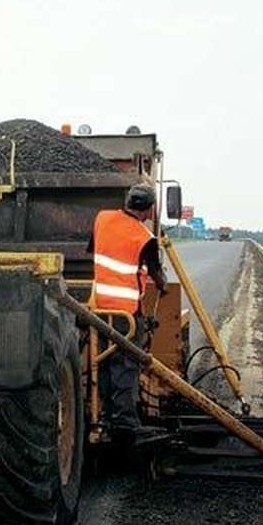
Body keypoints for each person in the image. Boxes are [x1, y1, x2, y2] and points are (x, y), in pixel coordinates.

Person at [87, 184, 167, 434]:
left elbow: (97, 251)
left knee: (104, 363)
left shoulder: (102, 219)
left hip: (99, 309)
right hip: (127, 315)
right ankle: (123, 421)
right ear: (150, 209)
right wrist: (162, 286)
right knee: (126, 366)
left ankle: (106, 414)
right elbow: (158, 277)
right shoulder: (144, 238)